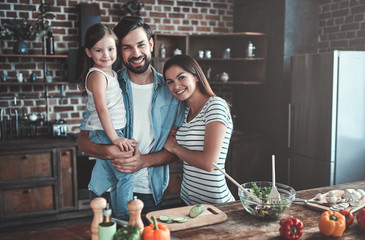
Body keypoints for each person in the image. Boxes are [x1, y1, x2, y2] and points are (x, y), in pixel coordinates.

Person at [77, 16, 185, 217]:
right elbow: (83, 142)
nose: (136, 53)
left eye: (141, 45)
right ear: (119, 50)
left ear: (151, 44)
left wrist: (143, 161)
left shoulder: (172, 91)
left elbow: (176, 150)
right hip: (106, 190)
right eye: (127, 47)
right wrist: (110, 151)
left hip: (149, 192)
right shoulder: (106, 82)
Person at [79, 23, 137, 217]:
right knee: (126, 175)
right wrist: (115, 139)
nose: (106, 55)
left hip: (113, 131)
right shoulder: (97, 75)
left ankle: (105, 209)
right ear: (89, 52)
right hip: (105, 131)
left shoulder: (112, 74)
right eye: (99, 50)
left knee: (112, 175)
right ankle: (124, 219)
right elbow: (102, 109)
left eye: (110, 49)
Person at [162, 54, 235, 205]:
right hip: (188, 199)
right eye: (170, 82)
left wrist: (174, 147)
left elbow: (209, 163)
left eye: (181, 77)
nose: (176, 86)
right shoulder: (184, 112)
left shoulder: (215, 106)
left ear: (196, 76)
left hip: (215, 203)